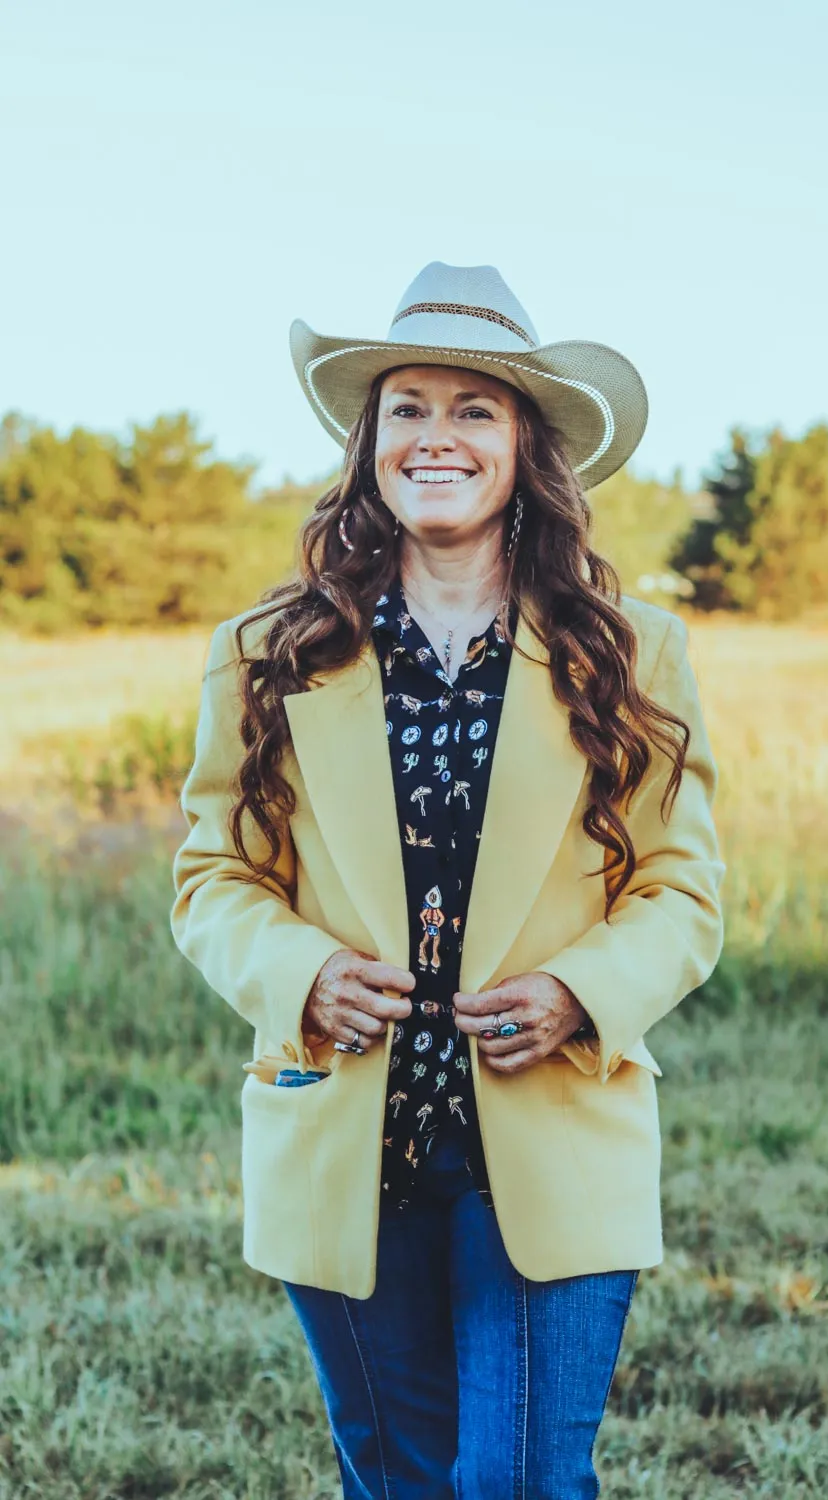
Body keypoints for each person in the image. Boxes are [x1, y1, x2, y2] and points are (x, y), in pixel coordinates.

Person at [170, 261, 726, 1499]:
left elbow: (683, 892)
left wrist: (581, 993)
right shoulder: (264, 656)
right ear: (371, 444)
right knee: (396, 1475)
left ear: (526, 447)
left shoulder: (632, 655)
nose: (437, 435)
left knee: (522, 1481)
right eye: (407, 406)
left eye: (475, 408)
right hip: (344, 1136)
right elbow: (212, 878)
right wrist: (302, 972)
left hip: (551, 1129)